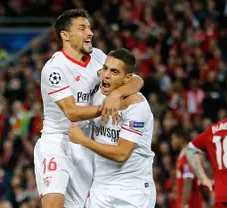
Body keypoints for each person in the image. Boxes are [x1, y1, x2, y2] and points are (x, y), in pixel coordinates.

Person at [34, 9, 144, 208]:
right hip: (57, 141)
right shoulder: (54, 69)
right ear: (65, 35)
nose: (90, 33)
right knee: (54, 204)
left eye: (90, 28)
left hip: (85, 142)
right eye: (82, 28)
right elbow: (72, 112)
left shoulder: (98, 57)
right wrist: (106, 106)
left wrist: (117, 96)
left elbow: (136, 80)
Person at [68, 48, 156, 208]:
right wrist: (115, 94)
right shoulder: (99, 89)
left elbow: (122, 154)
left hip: (132, 191)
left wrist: (83, 140)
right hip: (100, 188)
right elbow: (136, 80)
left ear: (126, 79)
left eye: (114, 72)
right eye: (105, 68)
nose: (106, 75)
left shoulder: (137, 106)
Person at [171, 128, 204, 208]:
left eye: (173, 139)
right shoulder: (184, 154)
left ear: (181, 139)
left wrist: (183, 204)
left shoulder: (187, 155)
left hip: (191, 203)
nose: (172, 142)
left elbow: (188, 179)